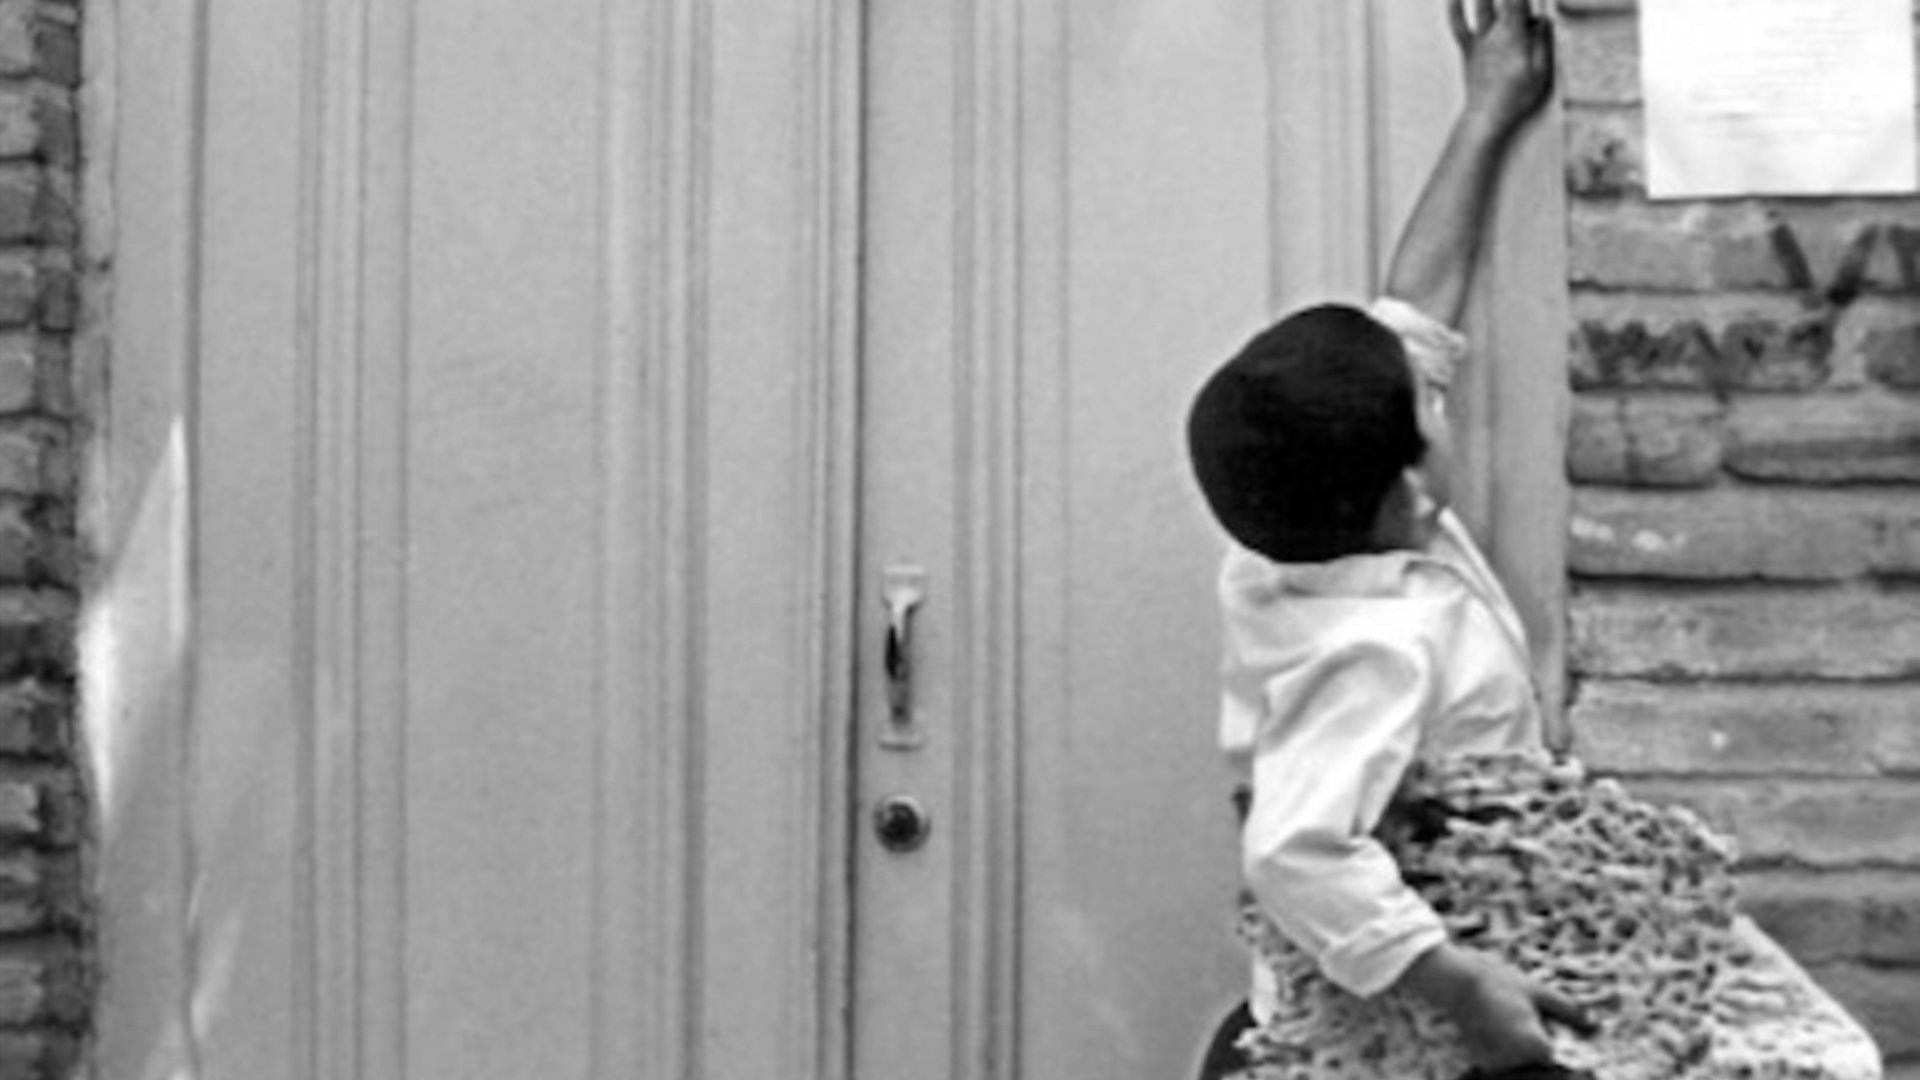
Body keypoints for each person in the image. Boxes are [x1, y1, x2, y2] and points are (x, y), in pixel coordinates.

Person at [1184, 0, 1596, 1073]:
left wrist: (1487, 109)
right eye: (1426, 409)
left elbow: (1412, 313)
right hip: (1409, 1027)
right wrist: (1457, 983)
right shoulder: (1368, 648)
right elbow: (1294, 849)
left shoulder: (1299, 530)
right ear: (1413, 487)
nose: (1432, 389)